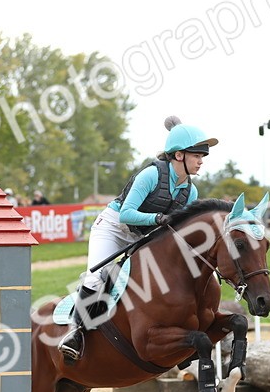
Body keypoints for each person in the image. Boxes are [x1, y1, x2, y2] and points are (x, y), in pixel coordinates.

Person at [57, 116, 216, 361]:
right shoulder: (150, 175)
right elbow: (126, 214)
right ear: (178, 156)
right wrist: (157, 219)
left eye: (202, 156)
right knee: (97, 276)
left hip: (143, 235)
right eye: (196, 155)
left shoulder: (190, 191)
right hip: (113, 228)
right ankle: (74, 333)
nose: (201, 161)